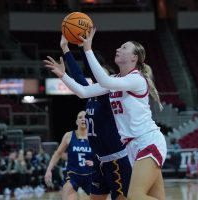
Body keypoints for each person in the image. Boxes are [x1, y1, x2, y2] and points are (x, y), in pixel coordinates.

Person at [44, 28, 167, 199]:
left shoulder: (136, 78)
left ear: (134, 57)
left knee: (135, 196)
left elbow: (104, 80)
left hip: (147, 141)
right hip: (131, 146)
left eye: (124, 47)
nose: (118, 49)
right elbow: (83, 91)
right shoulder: (116, 80)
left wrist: (87, 49)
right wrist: (63, 75)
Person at [58, 35, 132, 200]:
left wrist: (84, 48)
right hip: (99, 161)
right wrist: (66, 48)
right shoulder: (91, 96)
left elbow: (92, 71)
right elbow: (78, 76)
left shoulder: (107, 98)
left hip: (116, 161)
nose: (97, 80)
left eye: (101, 77)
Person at [44, 111, 94, 200]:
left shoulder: (94, 137)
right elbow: (58, 153)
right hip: (73, 175)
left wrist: (95, 162)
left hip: (91, 175)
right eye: (80, 117)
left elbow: (103, 156)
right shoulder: (69, 135)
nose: (83, 119)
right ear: (76, 122)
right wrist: (49, 170)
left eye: (85, 117)